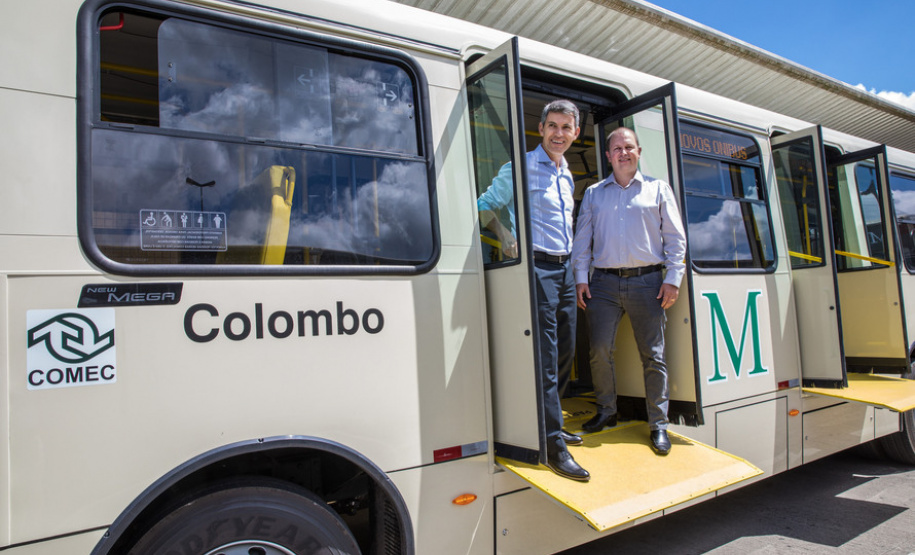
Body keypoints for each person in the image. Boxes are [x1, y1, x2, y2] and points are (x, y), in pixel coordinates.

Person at [478, 99, 589, 481]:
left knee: (566, 351)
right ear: (541, 129)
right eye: (553, 126)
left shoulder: (567, 173)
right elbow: (483, 207)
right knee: (545, 356)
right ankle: (553, 442)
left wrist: (576, 272)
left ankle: (549, 422)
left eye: (567, 128)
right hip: (537, 268)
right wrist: (505, 233)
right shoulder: (519, 167)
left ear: (575, 134)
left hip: (564, 269)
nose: (559, 134)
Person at [571, 126, 686, 456]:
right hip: (603, 284)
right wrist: (581, 278)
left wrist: (672, 278)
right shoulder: (594, 193)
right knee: (598, 351)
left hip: (648, 282)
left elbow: (675, 239)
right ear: (608, 156)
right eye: (617, 148)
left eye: (629, 147)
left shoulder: (657, 189)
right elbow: (583, 241)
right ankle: (606, 412)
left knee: (653, 356)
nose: (623, 152)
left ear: (638, 152)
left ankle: (658, 424)